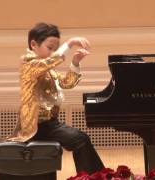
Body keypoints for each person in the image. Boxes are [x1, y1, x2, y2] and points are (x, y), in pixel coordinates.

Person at [8, 22, 104, 174]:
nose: (53, 52)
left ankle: (95, 176)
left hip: (50, 124)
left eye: (55, 49)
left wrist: (75, 62)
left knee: (81, 138)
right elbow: (51, 60)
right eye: (50, 48)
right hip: (36, 127)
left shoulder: (48, 70)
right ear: (33, 44)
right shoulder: (28, 63)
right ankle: (95, 177)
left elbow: (67, 83)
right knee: (80, 139)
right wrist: (69, 44)